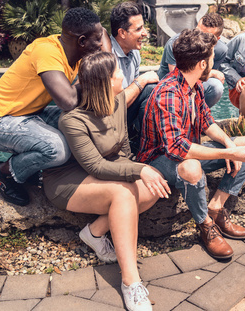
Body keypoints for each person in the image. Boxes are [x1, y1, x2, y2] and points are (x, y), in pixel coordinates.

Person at [42, 52, 170, 311]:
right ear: (105, 82)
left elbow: (122, 150)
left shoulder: (118, 100)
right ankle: (131, 283)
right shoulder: (72, 119)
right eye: (117, 73)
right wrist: (140, 171)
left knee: (153, 186)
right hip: (68, 180)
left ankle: (95, 232)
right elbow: (95, 166)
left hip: (104, 171)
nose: (122, 75)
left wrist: (140, 171)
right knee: (125, 192)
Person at [138, 29, 245, 260]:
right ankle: (205, 225)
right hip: (159, 161)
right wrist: (228, 151)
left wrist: (229, 145)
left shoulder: (193, 86)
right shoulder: (168, 92)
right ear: (202, 63)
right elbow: (176, 148)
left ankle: (216, 207)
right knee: (192, 167)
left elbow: (206, 122)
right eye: (213, 58)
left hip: (187, 154)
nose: (215, 63)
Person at [0, 7, 105, 206]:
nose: (101, 45)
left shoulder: (75, 54)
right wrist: (90, 80)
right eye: (98, 39)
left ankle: (39, 170)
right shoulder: (47, 52)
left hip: (32, 115)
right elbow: (67, 101)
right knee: (58, 149)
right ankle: (4, 172)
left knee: (83, 121)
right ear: (81, 41)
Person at [109, 2, 159, 135]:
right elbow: (112, 107)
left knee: (153, 90)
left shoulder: (134, 52)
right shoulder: (106, 58)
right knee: (149, 87)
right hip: (107, 122)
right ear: (122, 33)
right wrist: (141, 80)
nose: (145, 33)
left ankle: (140, 139)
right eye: (138, 29)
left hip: (125, 116)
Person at [157, 13, 227, 108]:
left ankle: (199, 113)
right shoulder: (176, 44)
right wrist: (212, 73)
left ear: (217, 39)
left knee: (216, 86)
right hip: (171, 86)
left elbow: (204, 78)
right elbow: (178, 78)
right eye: (197, 31)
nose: (199, 36)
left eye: (205, 36)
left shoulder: (220, 50)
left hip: (196, 82)